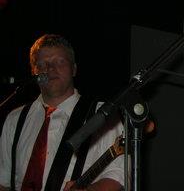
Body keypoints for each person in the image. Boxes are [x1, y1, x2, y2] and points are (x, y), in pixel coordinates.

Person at [0, 34, 124, 191]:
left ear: (74, 69)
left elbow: (119, 174)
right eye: (42, 64)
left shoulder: (102, 115)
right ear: (34, 71)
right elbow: (3, 180)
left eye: (60, 62)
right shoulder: (15, 119)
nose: (51, 69)